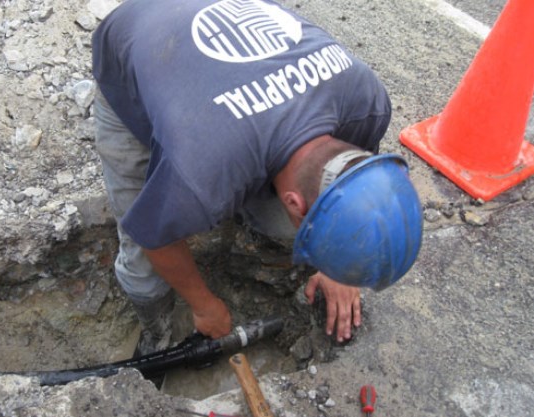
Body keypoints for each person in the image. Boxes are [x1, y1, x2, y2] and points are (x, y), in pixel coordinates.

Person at [91, 0, 423, 356]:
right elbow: (154, 240)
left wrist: (339, 269)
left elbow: (362, 185)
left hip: (207, 83)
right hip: (134, 37)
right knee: (140, 247)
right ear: (294, 202)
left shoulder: (365, 102)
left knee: (271, 216)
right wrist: (204, 306)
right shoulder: (201, 170)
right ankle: (156, 330)